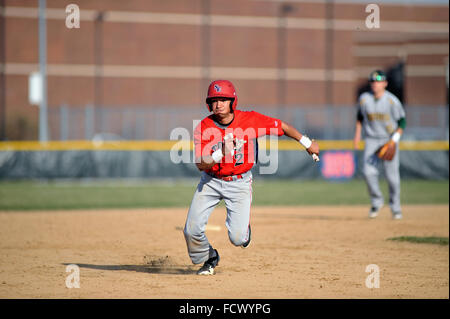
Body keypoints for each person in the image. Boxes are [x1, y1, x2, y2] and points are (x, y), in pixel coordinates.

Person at [183, 79, 320, 275]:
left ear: (233, 101)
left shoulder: (250, 120)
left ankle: (244, 230)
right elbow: (200, 163)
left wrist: (306, 143)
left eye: (223, 99)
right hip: (211, 181)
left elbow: (281, 126)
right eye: (214, 100)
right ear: (208, 103)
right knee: (191, 230)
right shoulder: (204, 126)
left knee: (238, 239)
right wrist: (219, 153)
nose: (218, 104)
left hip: (239, 183)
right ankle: (209, 257)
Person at [353, 70, 406, 220]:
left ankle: (395, 207)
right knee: (368, 173)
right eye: (373, 82)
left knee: (392, 177)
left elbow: (402, 121)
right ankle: (377, 202)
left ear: (385, 83)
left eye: (378, 81)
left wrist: (394, 140)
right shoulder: (364, 99)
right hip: (371, 139)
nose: (375, 84)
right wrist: (357, 135)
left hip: (388, 139)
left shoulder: (392, 101)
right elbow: (360, 117)